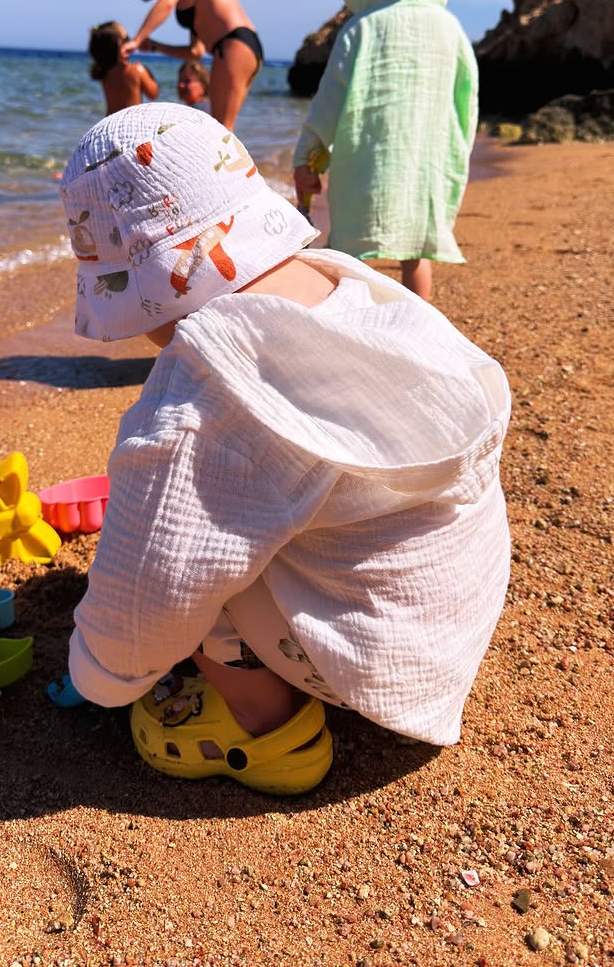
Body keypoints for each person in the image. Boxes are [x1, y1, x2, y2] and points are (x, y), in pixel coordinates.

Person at [58, 103, 511, 796]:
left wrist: (96, 673)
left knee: (197, 559)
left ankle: (267, 723)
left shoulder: (208, 384)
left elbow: (151, 582)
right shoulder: (349, 285)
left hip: (358, 659)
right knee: (235, 510)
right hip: (445, 622)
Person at [293, 0, 478, 303]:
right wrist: (457, 155)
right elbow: (467, 108)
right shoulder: (451, 31)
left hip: (365, 170)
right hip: (426, 169)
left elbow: (328, 102)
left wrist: (307, 154)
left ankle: (348, 330)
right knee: (417, 253)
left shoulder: (362, 28)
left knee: (349, 257)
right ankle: (422, 330)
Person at [122, 0, 263, 131]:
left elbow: (166, 3)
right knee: (224, 133)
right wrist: (156, 47)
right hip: (244, 47)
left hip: (232, 46)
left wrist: (137, 39)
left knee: (220, 134)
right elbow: (196, 52)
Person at [88, 21, 158, 115]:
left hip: (110, 121)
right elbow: (153, 94)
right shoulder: (136, 70)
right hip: (131, 121)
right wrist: (146, 71)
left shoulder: (103, 71)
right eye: (126, 39)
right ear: (120, 44)